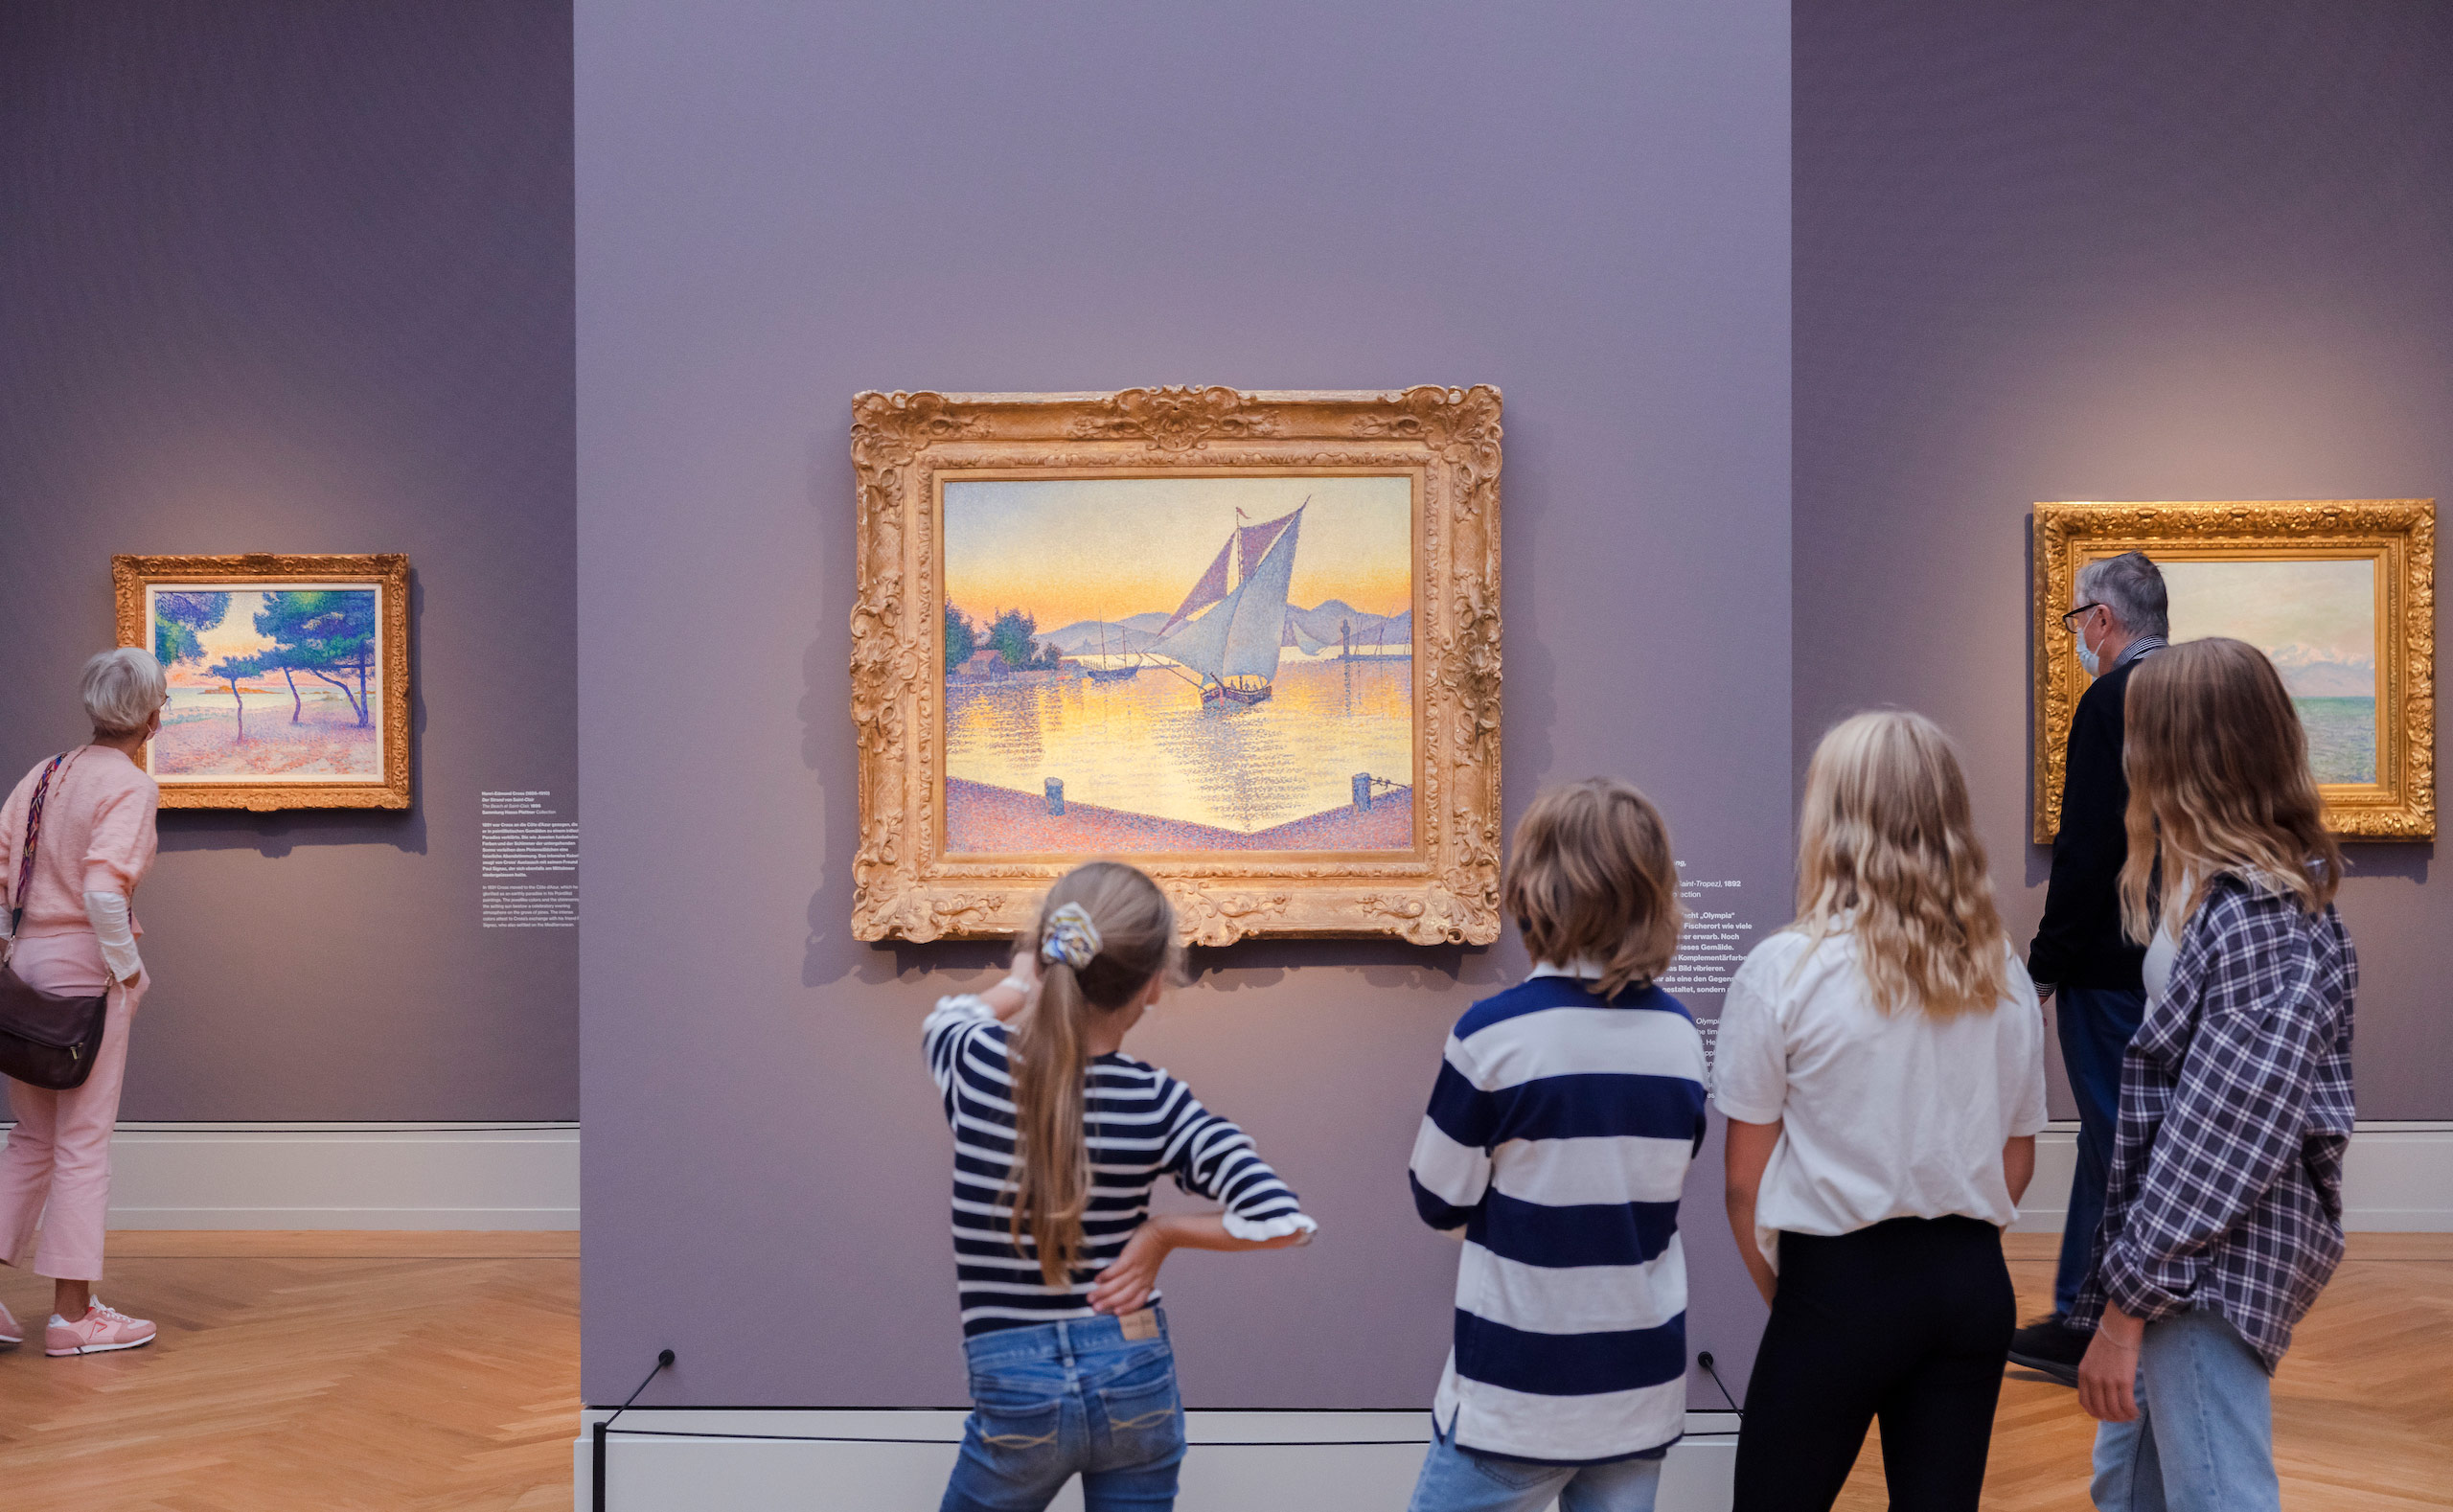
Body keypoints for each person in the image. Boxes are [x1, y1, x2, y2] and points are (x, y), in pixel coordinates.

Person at [1717, 712, 2047, 1512]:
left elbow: (1742, 1185)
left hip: (1837, 1283)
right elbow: (2018, 1156)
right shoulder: (2001, 968)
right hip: (1969, 1283)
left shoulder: (1784, 970)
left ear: (1832, 820)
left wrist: (1799, 1298)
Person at [923, 861, 1317, 1512]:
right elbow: (1283, 1220)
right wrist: (1162, 1235)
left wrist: (1021, 983)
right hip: (1131, 1363)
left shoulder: (976, 1062)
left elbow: (947, 1018)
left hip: (1014, 1379)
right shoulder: (1158, 1100)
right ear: (1154, 985)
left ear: (1052, 959)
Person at [2072, 638, 2354, 1512]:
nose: (2129, 753)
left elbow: (2223, 1137)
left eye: (2142, 731)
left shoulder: (2261, 917)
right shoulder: (2221, 890)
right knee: (2128, 1488)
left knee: (2217, 1493)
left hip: (2204, 1269)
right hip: (2176, 1262)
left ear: (2190, 751)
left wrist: (2126, 1310)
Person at [1404, 777, 1707, 1512]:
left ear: (1533, 889)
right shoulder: (1680, 1038)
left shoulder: (1494, 1036)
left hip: (1518, 1396)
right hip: (1639, 1392)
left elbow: (1436, 1200)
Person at [2013, 550, 2168, 1384]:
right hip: (2183, 954)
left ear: (2102, 620)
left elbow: (2086, 850)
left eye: (2078, 620)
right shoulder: (2197, 694)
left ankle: (2107, 1318)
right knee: (2115, 1136)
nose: (2078, 635)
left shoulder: (2112, 698)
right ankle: (2079, 1303)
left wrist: (2044, 964)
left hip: (2111, 963)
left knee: (2115, 1137)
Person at [0, 648, 166, 1358]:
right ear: (153, 717)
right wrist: (128, 972)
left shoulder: (44, 774)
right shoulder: (129, 786)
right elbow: (104, 892)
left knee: (32, 1138)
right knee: (82, 1143)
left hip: (23, 965)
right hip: (82, 973)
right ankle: (73, 1316)